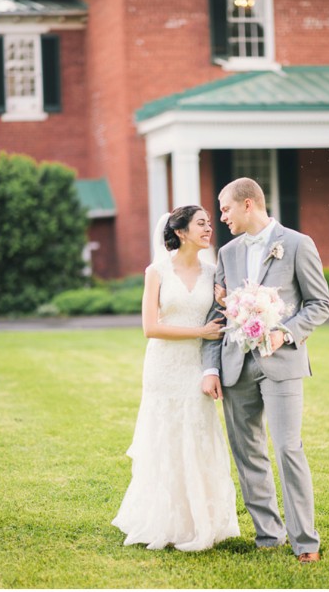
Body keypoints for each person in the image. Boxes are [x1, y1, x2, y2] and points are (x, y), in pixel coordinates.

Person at [201, 178, 329, 564]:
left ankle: (305, 542)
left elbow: (319, 303)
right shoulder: (225, 252)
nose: (220, 217)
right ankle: (268, 535)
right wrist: (210, 368)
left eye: (224, 209)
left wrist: (285, 334)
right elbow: (217, 315)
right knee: (248, 452)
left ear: (247, 204)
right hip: (235, 366)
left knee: (289, 448)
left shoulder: (296, 244)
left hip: (282, 362)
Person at [113, 206, 239, 551]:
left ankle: (201, 521)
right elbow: (150, 327)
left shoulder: (214, 272)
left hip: (197, 367)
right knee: (165, 437)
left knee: (197, 436)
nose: (209, 228)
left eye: (209, 223)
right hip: (164, 366)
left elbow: (221, 317)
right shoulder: (156, 272)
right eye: (201, 223)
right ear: (180, 232)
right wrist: (200, 330)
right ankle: (162, 520)